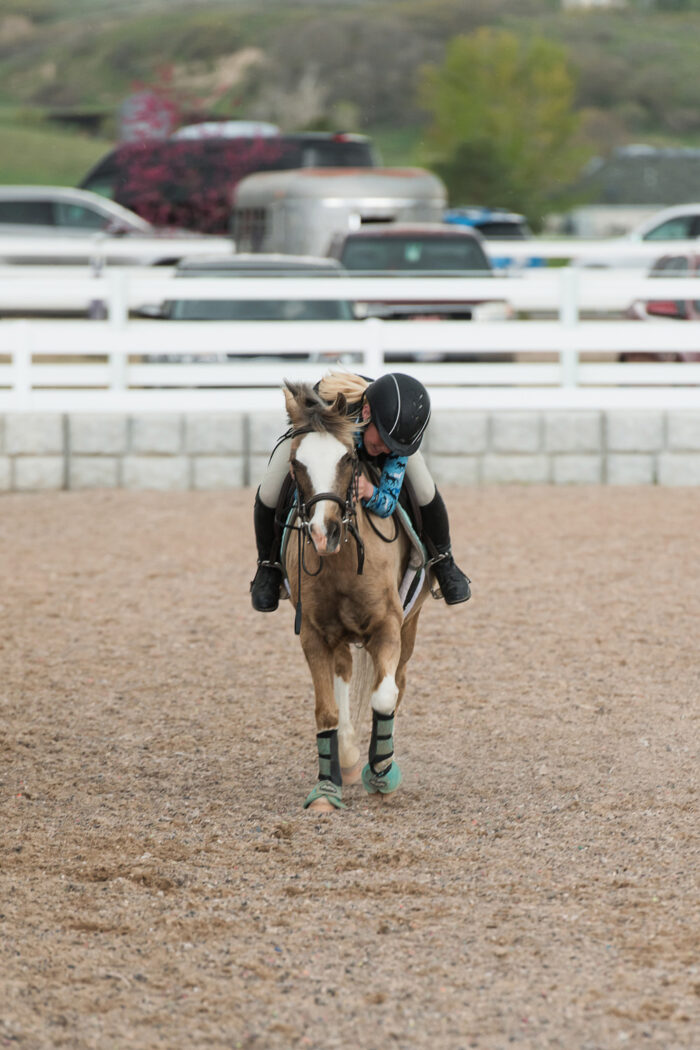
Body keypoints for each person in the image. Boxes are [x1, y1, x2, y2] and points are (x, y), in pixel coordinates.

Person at [250, 371, 471, 610]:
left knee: (426, 489)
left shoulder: (393, 442)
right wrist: (298, 460)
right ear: (366, 413)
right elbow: (307, 448)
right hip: (316, 429)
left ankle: (444, 561)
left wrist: (369, 492)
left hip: (384, 427)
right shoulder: (338, 414)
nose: (386, 450)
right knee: (270, 491)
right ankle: (267, 565)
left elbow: (387, 504)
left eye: (393, 447)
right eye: (382, 442)